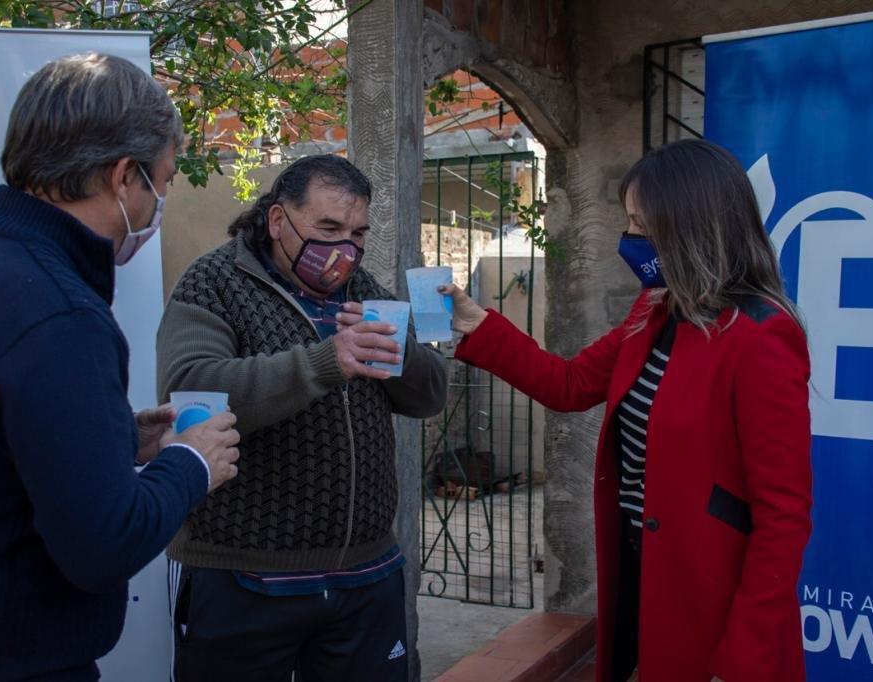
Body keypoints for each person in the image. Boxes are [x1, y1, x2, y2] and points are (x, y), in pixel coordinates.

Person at [0, 53, 241, 681]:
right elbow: (103, 544)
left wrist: (118, 439)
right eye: (163, 183)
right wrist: (190, 464)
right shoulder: (57, 312)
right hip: (10, 662)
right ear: (123, 176)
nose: (159, 206)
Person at [441, 139, 812, 682]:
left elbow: (783, 517)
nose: (629, 238)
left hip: (712, 597)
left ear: (691, 228)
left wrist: (744, 660)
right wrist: (481, 326)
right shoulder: (656, 310)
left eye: (641, 224)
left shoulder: (760, 335)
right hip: (643, 575)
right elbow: (570, 384)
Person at [157, 154, 448, 682]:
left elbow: (429, 398)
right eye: (328, 229)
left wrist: (401, 355)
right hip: (245, 580)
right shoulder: (213, 283)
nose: (345, 250)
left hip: (366, 576)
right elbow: (192, 392)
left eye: (357, 234)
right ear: (277, 220)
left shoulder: (363, 289)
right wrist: (325, 362)